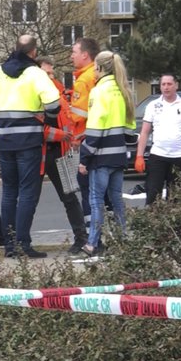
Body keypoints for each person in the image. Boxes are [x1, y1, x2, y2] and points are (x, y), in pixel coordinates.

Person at [0, 34, 61, 259]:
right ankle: (24, 243)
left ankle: (10, 246)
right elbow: (54, 102)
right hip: (29, 141)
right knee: (28, 192)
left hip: (4, 140)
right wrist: (47, 120)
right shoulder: (35, 74)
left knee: (9, 193)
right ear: (33, 52)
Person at [77, 51, 136, 257]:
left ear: (100, 69)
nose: (93, 71)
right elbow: (129, 129)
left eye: (94, 67)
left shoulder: (98, 91)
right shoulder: (123, 90)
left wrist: (84, 157)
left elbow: (96, 128)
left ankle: (92, 243)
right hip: (118, 154)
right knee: (116, 199)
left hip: (100, 156)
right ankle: (124, 238)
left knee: (96, 200)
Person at [37, 56, 88, 255]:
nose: (50, 76)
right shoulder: (37, 94)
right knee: (29, 198)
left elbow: (70, 122)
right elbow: (38, 127)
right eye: (46, 73)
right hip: (41, 152)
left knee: (69, 197)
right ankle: (19, 241)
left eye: (51, 73)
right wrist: (62, 135)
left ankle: (81, 238)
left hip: (62, 151)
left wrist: (71, 138)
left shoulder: (60, 93)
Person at [134, 74, 181, 205]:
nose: (166, 87)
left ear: (176, 85)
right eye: (163, 84)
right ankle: (153, 222)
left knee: (177, 197)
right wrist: (139, 156)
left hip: (179, 156)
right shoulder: (153, 105)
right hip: (157, 155)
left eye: (169, 84)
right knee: (152, 195)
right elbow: (145, 132)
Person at [68, 37, 101, 230]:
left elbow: (79, 115)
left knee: (86, 184)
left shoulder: (84, 80)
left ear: (85, 55)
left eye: (74, 52)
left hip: (86, 138)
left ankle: (91, 231)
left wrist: (67, 110)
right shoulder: (97, 75)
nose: (71, 56)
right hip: (99, 136)